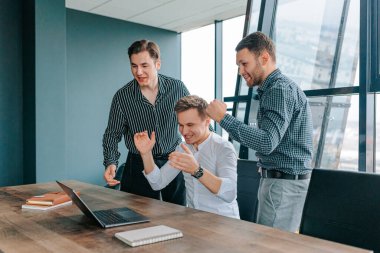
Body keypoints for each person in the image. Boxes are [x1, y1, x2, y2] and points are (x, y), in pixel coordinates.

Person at [206, 31, 313, 232]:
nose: (240, 71)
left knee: (269, 246)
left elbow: (266, 142)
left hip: (282, 186)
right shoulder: (278, 88)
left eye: (244, 64)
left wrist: (223, 118)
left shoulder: (278, 90)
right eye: (238, 65)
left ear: (264, 58)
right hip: (280, 183)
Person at [102, 39, 188, 206]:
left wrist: (211, 145)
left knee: (178, 216)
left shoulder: (177, 88)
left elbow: (196, 118)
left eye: (144, 65)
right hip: (137, 166)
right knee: (137, 220)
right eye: (134, 66)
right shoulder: (122, 97)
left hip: (173, 162)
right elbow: (112, 134)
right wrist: (111, 162)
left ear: (157, 64)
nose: (139, 72)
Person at [134, 95, 240, 219]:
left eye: (190, 125)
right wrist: (146, 154)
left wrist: (197, 170)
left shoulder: (223, 147)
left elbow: (229, 193)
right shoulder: (183, 148)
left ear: (207, 122)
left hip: (225, 223)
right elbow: (158, 182)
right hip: (195, 221)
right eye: (181, 125)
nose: (184, 132)